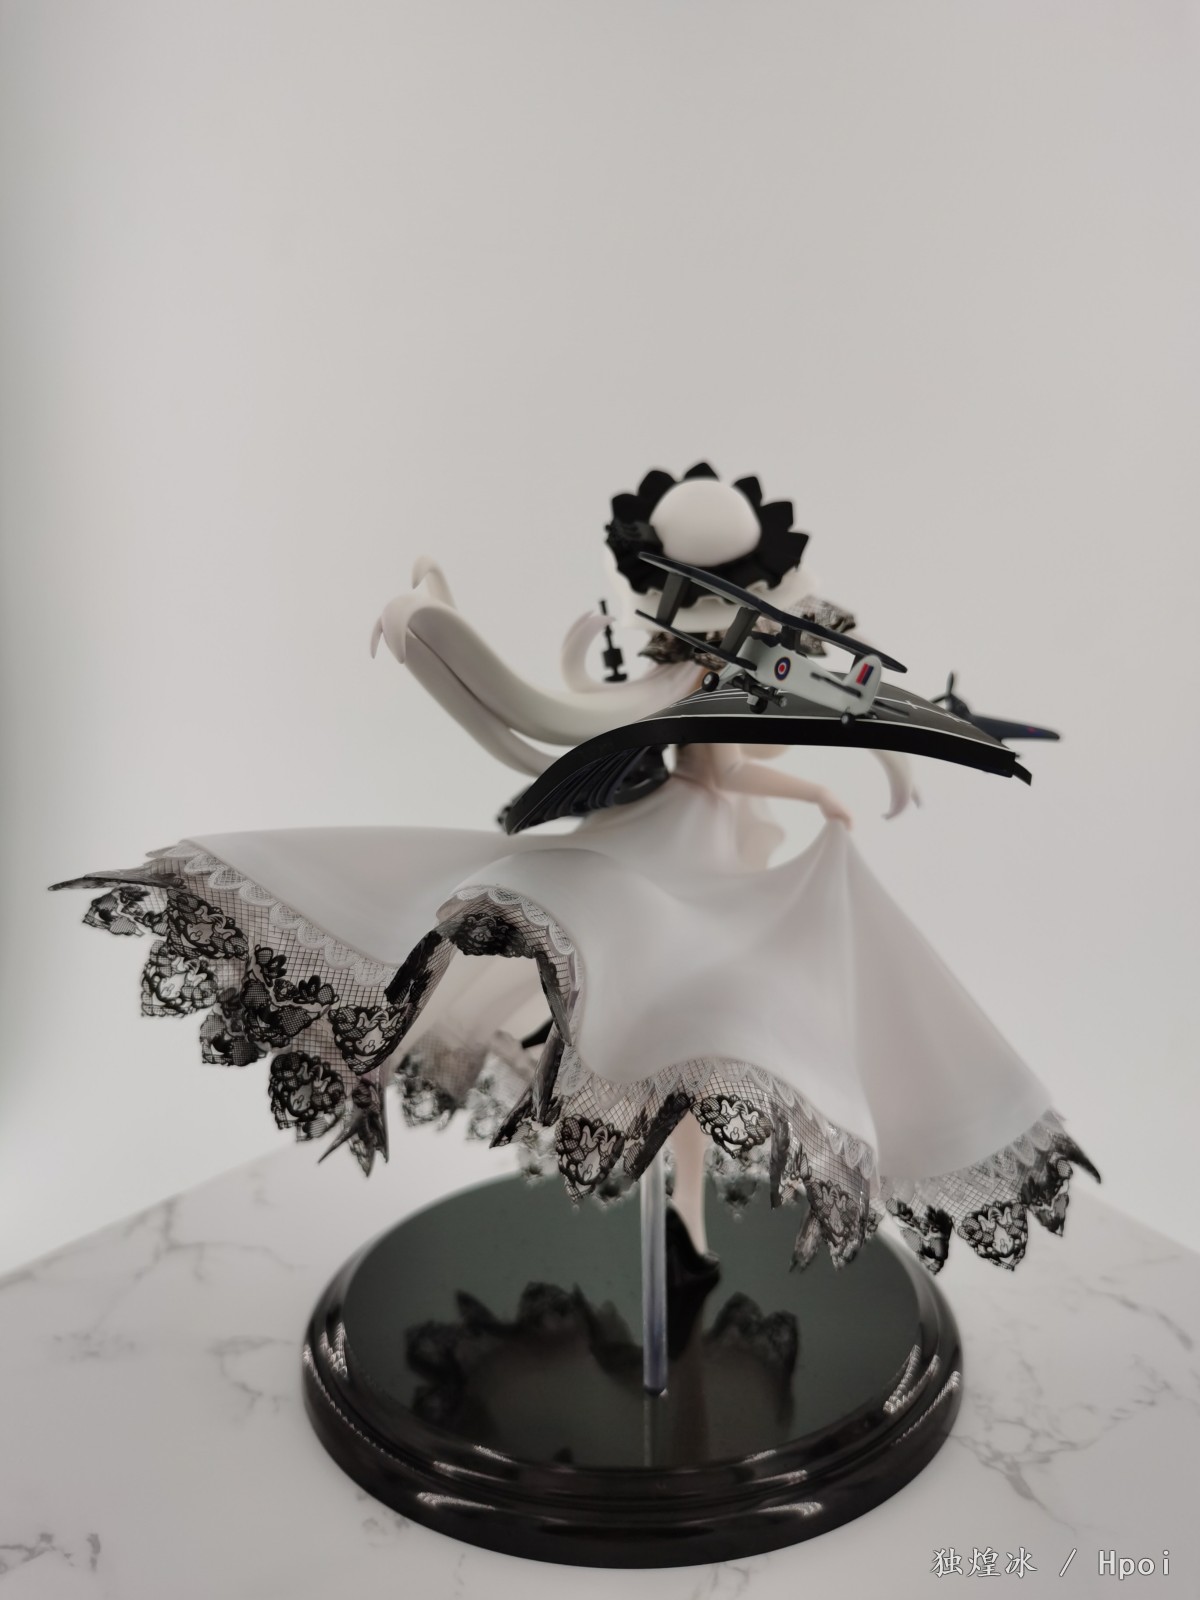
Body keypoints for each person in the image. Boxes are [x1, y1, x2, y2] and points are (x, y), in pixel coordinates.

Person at [54, 463, 1096, 1274]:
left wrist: (856, 759)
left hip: (703, 864)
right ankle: (684, 1223)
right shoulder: (691, 693)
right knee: (690, 1033)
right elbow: (705, 762)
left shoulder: (714, 680)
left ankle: (686, 1227)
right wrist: (822, 790)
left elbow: (761, 734)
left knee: (688, 1062)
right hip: (680, 868)